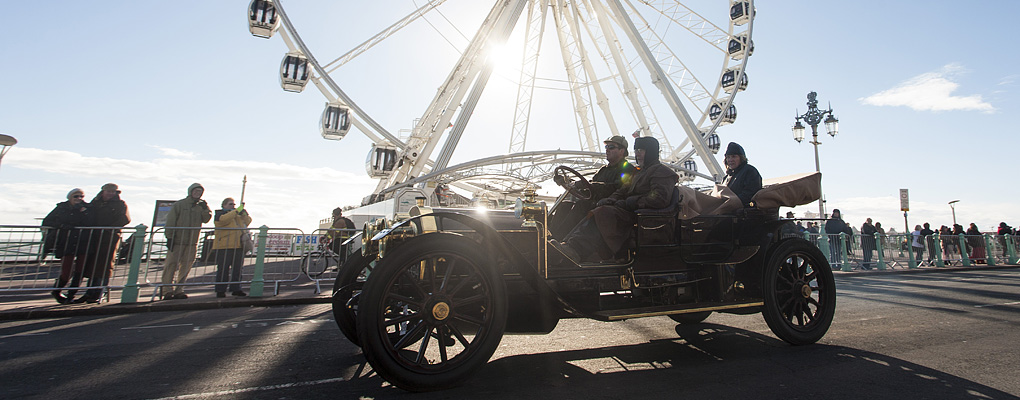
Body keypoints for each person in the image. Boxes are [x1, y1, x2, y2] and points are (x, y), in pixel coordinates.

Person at [557, 136, 678, 263]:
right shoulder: (638, 173)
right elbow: (622, 190)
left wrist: (630, 203)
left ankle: (575, 249)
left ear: (651, 152)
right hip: (630, 211)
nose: (637, 154)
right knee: (594, 208)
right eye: (636, 150)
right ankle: (564, 243)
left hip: (644, 216)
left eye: (641, 150)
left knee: (603, 213)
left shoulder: (662, 172)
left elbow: (659, 198)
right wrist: (611, 200)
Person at [548, 136, 637, 238]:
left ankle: (562, 240)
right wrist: (567, 182)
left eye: (611, 147)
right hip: (593, 202)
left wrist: (588, 185)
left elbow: (617, 188)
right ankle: (550, 236)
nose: (607, 150)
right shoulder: (604, 170)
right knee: (564, 204)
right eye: (606, 147)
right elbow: (589, 184)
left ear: (622, 151)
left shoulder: (627, 169)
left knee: (582, 205)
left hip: (610, 205)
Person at [77, 183, 131, 303]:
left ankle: (100, 291)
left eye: (113, 192)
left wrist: (109, 228)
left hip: (109, 237)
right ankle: (90, 291)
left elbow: (125, 219)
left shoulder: (120, 204)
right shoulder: (95, 202)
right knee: (92, 264)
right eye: (109, 191)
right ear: (103, 191)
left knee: (105, 264)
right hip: (94, 236)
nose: (111, 194)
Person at [161, 183, 212, 300]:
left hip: (192, 241)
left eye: (200, 192)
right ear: (190, 192)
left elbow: (206, 220)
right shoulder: (179, 204)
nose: (197, 193)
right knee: (171, 265)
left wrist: (206, 209)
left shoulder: (201, 206)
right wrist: (169, 237)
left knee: (186, 266)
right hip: (177, 240)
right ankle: (167, 290)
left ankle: (179, 289)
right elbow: (171, 221)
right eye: (196, 191)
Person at [41, 188, 91, 304]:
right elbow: (47, 221)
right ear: (70, 197)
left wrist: (84, 211)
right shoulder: (61, 207)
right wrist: (62, 225)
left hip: (83, 241)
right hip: (66, 241)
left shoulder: (88, 208)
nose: (79, 199)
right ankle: (57, 291)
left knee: (80, 270)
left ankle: (71, 295)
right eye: (76, 196)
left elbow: (92, 221)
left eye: (81, 196)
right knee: (67, 270)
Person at [213, 198, 252, 297]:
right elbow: (223, 220)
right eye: (230, 204)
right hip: (224, 246)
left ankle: (236, 288)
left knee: (238, 269)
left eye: (234, 204)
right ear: (224, 205)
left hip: (238, 245)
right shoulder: (219, 214)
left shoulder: (236, 215)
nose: (233, 206)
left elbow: (247, 222)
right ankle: (220, 290)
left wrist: (244, 214)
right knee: (223, 269)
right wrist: (236, 211)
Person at [721, 142, 762, 207]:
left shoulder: (750, 171)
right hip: (725, 210)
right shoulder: (726, 178)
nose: (730, 160)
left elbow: (750, 194)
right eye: (728, 157)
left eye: (734, 157)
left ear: (741, 158)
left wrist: (730, 202)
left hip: (742, 212)